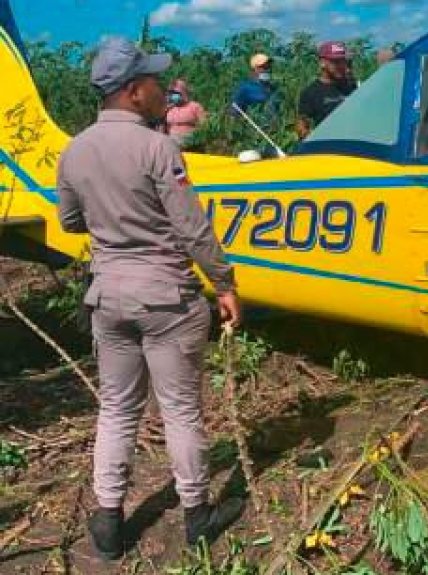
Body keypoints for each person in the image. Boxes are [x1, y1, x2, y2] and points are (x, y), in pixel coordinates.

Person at [57, 37, 243, 561]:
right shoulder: (159, 148)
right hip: (166, 298)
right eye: (157, 82)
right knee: (181, 411)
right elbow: (192, 228)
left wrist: (110, 219)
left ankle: (111, 524)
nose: (166, 90)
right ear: (134, 91)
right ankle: (196, 517)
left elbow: (71, 221)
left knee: (116, 409)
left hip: (109, 297)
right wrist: (224, 284)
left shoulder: (74, 151)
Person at [298, 41, 357, 138]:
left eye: (343, 61)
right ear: (322, 63)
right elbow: (302, 126)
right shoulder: (310, 93)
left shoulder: (351, 87)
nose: (341, 66)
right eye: (336, 62)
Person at [231, 53, 278, 117]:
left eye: (269, 66)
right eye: (263, 67)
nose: (268, 69)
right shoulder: (245, 88)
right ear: (254, 69)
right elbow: (234, 112)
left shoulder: (274, 88)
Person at [163, 78, 206, 147]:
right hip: (172, 143)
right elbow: (163, 126)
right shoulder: (169, 108)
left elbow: (204, 125)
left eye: (176, 93)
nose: (174, 95)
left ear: (183, 93)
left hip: (191, 144)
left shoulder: (195, 106)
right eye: (172, 93)